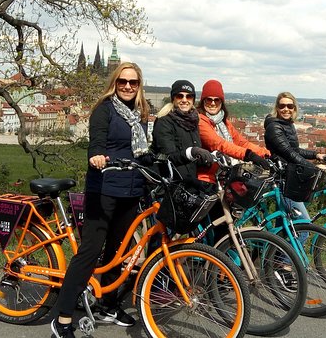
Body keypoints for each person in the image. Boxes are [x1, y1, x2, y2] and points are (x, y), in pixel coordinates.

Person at [51, 62, 150, 338]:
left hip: (131, 191)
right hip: (104, 187)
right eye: (122, 82)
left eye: (133, 82)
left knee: (117, 250)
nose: (128, 86)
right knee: (90, 252)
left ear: (139, 85)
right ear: (114, 84)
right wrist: (96, 156)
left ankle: (107, 304)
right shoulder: (104, 109)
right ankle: (62, 320)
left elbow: (141, 152)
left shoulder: (140, 113)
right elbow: (97, 141)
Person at [264, 91, 326, 223]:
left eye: (289, 106)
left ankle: (274, 244)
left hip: (289, 177)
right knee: (303, 226)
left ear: (294, 108)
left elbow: (296, 150)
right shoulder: (274, 127)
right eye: (282, 106)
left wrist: (316, 155)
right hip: (284, 181)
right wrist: (313, 167)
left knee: (285, 226)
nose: (286, 109)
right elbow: (289, 153)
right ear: (277, 108)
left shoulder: (287, 124)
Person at [197, 79, 271, 184]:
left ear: (221, 102)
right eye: (209, 99)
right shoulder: (200, 121)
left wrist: (266, 153)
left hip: (226, 174)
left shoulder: (224, 122)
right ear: (203, 101)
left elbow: (242, 143)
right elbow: (219, 144)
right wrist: (248, 155)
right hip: (208, 178)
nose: (212, 103)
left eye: (217, 100)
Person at [150, 79, 214, 187]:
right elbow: (168, 157)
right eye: (180, 96)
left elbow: (194, 159)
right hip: (170, 185)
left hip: (189, 184)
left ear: (193, 100)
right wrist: (191, 152)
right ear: (173, 99)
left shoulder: (193, 121)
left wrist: (213, 156)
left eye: (189, 96)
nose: (184, 100)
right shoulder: (164, 122)